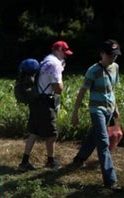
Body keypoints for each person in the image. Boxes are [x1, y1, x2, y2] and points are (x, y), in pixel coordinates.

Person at [71, 39, 122, 188]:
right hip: (97, 110)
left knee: (94, 136)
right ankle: (110, 180)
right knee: (103, 141)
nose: (113, 58)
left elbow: (112, 90)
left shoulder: (116, 67)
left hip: (110, 109)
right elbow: (82, 92)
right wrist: (75, 113)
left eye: (115, 55)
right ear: (102, 54)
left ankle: (79, 159)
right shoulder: (93, 71)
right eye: (110, 55)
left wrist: (116, 108)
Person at [19, 40, 73, 171]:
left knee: (34, 131)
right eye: (64, 52)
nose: (66, 55)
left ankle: (24, 162)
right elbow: (58, 89)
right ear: (58, 50)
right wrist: (61, 73)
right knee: (52, 133)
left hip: (36, 99)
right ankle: (51, 161)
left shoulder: (45, 60)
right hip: (45, 102)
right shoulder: (55, 64)